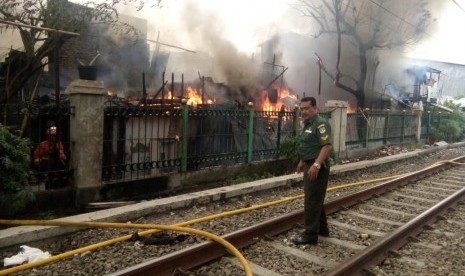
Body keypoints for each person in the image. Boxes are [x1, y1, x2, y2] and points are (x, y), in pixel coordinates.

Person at [292, 96, 332, 245]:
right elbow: (309, 144)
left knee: (311, 201)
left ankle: (310, 235)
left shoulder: (320, 124)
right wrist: (302, 161)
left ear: (315, 108)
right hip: (309, 163)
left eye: (306, 108)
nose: (303, 111)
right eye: (301, 109)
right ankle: (322, 229)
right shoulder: (308, 124)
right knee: (316, 198)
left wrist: (316, 165)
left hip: (317, 166)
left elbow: (326, 146)